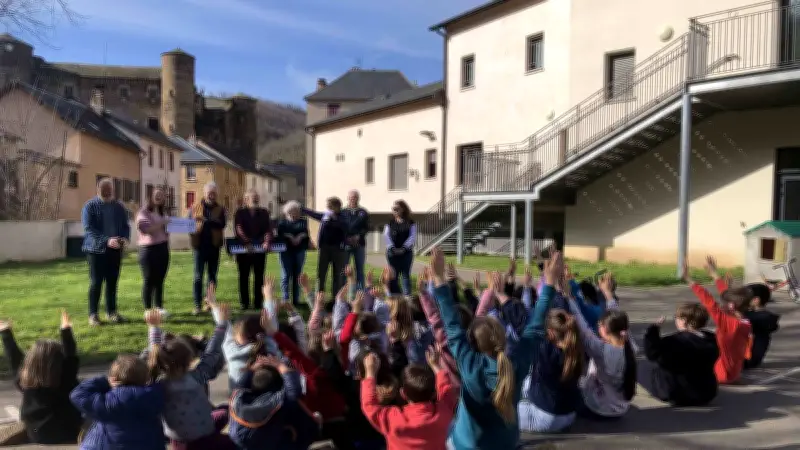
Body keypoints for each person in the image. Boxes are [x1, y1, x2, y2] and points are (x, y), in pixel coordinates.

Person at [430, 247, 556, 450]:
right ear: (503, 338)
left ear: (472, 342)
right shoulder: (517, 362)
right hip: (506, 443)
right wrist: (549, 285)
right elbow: (535, 327)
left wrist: (438, 278)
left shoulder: (469, 362)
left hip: (467, 445)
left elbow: (451, 324)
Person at [0, 310, 83, 446]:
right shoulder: (65, 378)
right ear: (60, 362)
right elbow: (71, 355)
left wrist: (5, 332)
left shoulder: (23, 380)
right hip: (68, 431)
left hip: (36, 433)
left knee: (32, 424)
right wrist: (66, 330)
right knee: (93, 416)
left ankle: (25, 429)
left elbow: (13, 357)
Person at [566, 274, 637, 420]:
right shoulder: (630, 344)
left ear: (604, 330)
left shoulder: (601, 349)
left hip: (598, 410)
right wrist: (608, 294)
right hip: (622, 408)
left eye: (600, 325)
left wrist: (569, 297)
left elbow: (582, 326)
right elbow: (617, 318)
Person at [360, 346, 458, 450]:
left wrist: (370, 372)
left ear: (403, 394)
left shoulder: (394, 420)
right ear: (434, 393)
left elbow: (369, 406)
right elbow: (446, 390)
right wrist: (436, 366)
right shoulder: (444, 412)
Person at [70, 355, 165, 449]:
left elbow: (78, 394)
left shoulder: (107, 401)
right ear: (145, 379)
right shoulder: (154, 395)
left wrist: (104, 381)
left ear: (113, 379)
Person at [684, 256, 753, 384]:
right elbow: (725, 294)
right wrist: (715, 274)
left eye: (724, 303)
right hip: (734, 372)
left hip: (721, 374)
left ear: (731, 306)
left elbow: (708, 300)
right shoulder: (744, 321)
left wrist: (689, 280)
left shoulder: (728, 322)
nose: (721, 304)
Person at [638, 303, 719, 406]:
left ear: (684, 320)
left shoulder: (675, 341)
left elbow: (652, 354)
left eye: (676, 317)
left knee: (642, 367)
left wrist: (653, 331)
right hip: (706, 394)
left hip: (678, 394)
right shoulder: (711, 339)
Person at [81, 177, 130, 326]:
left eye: (110, 190)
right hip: (96, 250)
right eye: (105, 191)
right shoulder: (89, 206)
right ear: (98, 190)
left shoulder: (119, 207)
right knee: (96, 283)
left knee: (112, 283)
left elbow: (125, 225)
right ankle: (93, 315)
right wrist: (106, 240)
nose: (108, 193)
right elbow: (89, 229)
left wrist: (125, 238)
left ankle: (112, 312)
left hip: (115, 251)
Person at [189, 182, 227, 315]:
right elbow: (189, 224)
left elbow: (221, 224)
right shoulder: (195, 207)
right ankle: (197, 305)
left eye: (214, 193)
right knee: (198, 276)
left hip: (214, 246)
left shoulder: (221, 209)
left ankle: (209, 303)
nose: (212, 195)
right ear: (204, 194)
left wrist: (205, 220)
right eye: (210, 193)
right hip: (199, 247)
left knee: (212, 277)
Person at [234, 189, 273, 310]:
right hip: (244, 251)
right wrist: (246, 243)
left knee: (259, 277)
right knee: (244, 277)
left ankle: (258, 302)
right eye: (253, 198)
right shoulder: (240, 213)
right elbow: (239, 229)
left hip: (260, 251)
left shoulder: (264, 212)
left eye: (257, 198)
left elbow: (268, 229)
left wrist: (267, 241)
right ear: (246, 200)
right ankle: (244, 303)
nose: (256, 200)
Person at [136, 187, 171, 316]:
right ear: (150, 197)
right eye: (156, 195)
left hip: (163, 248)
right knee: (149, 279)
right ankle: (148, 310)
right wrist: (162, 223)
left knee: (160, 280)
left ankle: (159, 308)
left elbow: (168, 227)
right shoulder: (143, 212)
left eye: (162, 195)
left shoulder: (164, 213)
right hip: (148, 250)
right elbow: (145, 229)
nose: (159, 197)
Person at [302, 197, 348, 296]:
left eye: (330, 207)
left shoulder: (342, 216)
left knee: (337, 275)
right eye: (327, 207)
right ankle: (320, 296)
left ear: (337, 207)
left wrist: (331, 219)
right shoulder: (326, 216)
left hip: (338, 249)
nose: (328, 209)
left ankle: (336, 298)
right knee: (321, 273)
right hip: (324, 248)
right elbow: (314, 214)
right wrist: (302, 208)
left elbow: (342, 226)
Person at [277, 201, 310, 305]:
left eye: (296, 210)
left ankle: (296, 299)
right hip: (286, 252)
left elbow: (306, 233)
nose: (295, 213)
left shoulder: (303, 222)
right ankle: (285, 299)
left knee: (297, 275)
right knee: (285, 275)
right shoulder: (282, 223)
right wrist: (290, 236)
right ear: (287, 212)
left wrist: (300, 236)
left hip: (299, 251)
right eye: (292, 211)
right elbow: (280, 235)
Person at [744, 283, 780, 369]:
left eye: (746, 297)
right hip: (748, 357)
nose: (743, 299)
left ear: (756, 300)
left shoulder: (763, 317)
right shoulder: (750, 314)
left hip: (749, 359)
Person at [384, 200, 416, 296]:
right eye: (393, 209)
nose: (395, 211)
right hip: (392, 253)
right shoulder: (390, 223)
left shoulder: (410, 223)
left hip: (406, 253)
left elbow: (412, 236)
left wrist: (404, 248)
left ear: (402, 209)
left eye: (397, 209)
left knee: (405, 275)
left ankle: (407, 297)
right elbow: (386, 236)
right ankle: (395, 296)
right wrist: (392, 248)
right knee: (394, 275)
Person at [342, 190, 370, 289]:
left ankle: (360, 291)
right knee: (345, 269)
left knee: (360, 269)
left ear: (358, 198)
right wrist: (347, 238)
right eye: (351, 197)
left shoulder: (363, 212)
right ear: (347, 198)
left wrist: (358, 236)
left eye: (355, 197)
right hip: (345, 244)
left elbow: (366, 228)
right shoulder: (342, 212)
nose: (353, 199)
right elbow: (340, 228)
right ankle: (345, 290)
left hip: (359, 244)